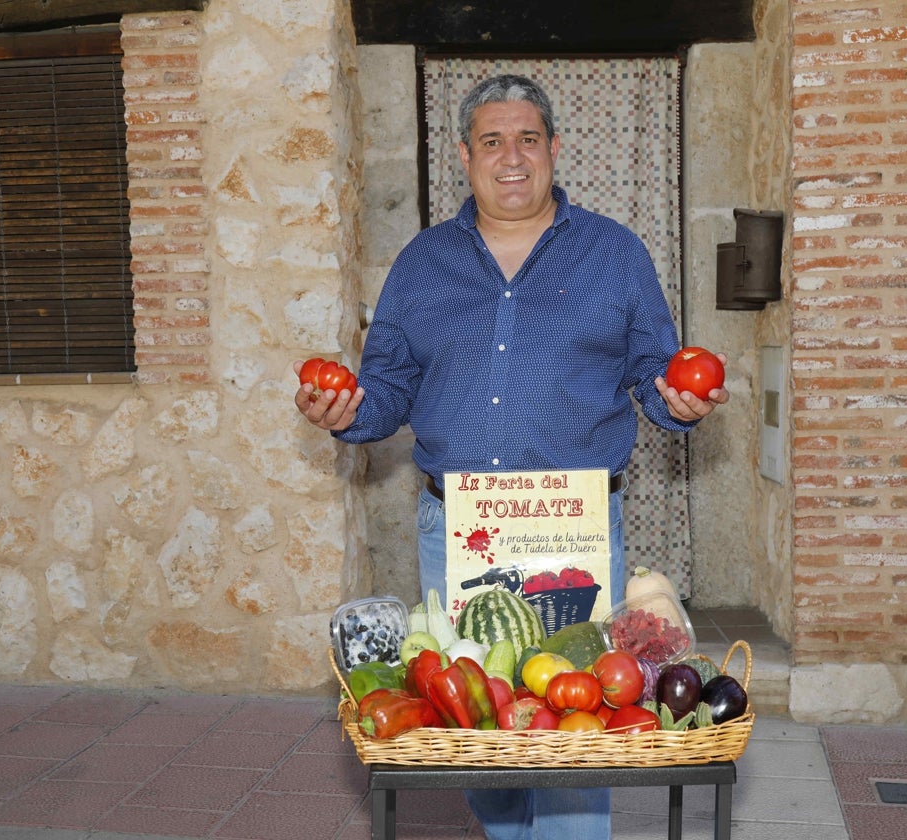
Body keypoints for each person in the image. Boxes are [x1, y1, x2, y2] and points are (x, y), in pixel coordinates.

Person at [295, 74, 727, 840]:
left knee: (575, 732)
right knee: (485, 737)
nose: (512, 157)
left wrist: (678, 402)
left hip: (575, 530)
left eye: (528, 138)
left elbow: (654, 372)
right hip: (461, 532)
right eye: (492, 141)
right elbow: (388, 384)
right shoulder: (423, 263)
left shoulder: (614, 254)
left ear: (555, 149)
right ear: (465, 155)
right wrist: (349, 412)